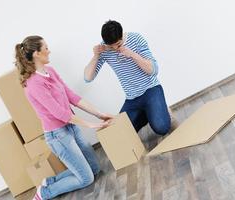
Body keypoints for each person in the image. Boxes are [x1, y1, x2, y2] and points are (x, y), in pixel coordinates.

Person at [15, 35, 112, 200]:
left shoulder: (50, 71)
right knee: (86, 178)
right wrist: (90, 125)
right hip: (58, 135)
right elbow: (59, 113)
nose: (49, 50)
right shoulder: (34, 84)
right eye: (45, 48)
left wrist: (99, 114)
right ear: (37, 54)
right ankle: (44, 193)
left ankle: (50, 181)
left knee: (94, 169)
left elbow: (72, 96)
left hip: (71, 127)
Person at [85, 20, 175, 136]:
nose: (115, 49)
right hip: (132, 99)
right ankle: (148, 112)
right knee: (122, 133)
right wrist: (96, 56)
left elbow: (153, 70)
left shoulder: (136, 39)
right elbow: (87, 78)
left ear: (122, 35)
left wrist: (132, 55)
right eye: (111, 47)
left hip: (151, 90)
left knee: (161, 128)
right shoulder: (104, 49)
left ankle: (159, 111)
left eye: (117, 45)